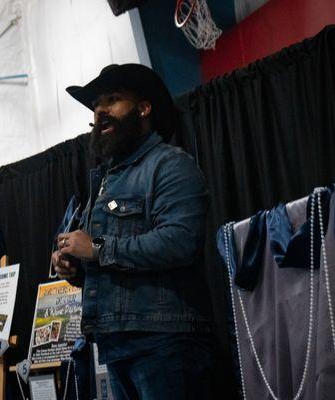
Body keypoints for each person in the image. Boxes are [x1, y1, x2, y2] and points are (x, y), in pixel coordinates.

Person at [51, 64, 214, 399]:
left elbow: (179, 242)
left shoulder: (170, 165)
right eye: (97, 105)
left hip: (164, 344)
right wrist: (75, 266)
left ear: (143, 108)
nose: (100, 111)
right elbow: (109, 258)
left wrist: (94, 247)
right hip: (116, 345)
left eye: (113, 99)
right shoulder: (107, 180)